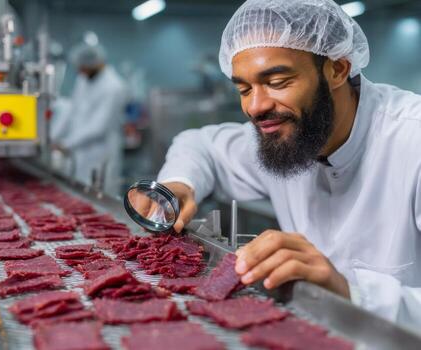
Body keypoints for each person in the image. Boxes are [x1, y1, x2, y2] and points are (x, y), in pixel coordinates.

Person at [156, 0, 421, 330]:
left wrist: (352, 293)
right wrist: (180, 184)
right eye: (244, 88)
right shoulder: (288, 131)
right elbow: (199, 146)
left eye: (277, 82)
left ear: (337, 69)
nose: (256, 106)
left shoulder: (411, 140)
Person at [52, 43, 127, 195]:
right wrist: (53, 137)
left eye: (83, 66)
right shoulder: (83, 79)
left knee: (100, 197)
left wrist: (66, 143)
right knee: (77, 194)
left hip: (100, 153)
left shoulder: (114, 87)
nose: (80, 71)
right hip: (79, 152)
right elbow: (72, 109)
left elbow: (98, 127)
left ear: (96, 62)